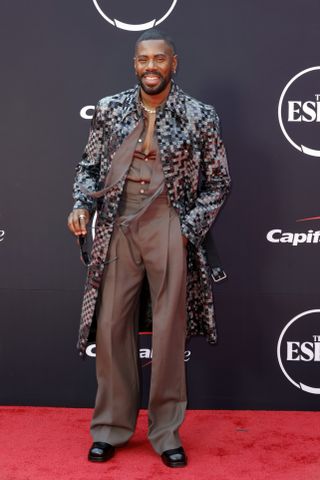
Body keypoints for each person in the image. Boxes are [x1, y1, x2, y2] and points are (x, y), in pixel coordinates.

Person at [68, 28, 231, 468]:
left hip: (169, 223)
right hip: (119, 223)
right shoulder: (109, 110)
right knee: (111, 326)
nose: (151, 67)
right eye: (143, 60)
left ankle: (166, 432)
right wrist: (82, 204)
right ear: (135, 64)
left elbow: (218, 183)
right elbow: (88, 166)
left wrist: (186, 228)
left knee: (169, 331)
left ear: (173, 64)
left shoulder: (199, 115)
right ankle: (110, 428)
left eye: (160, 59)